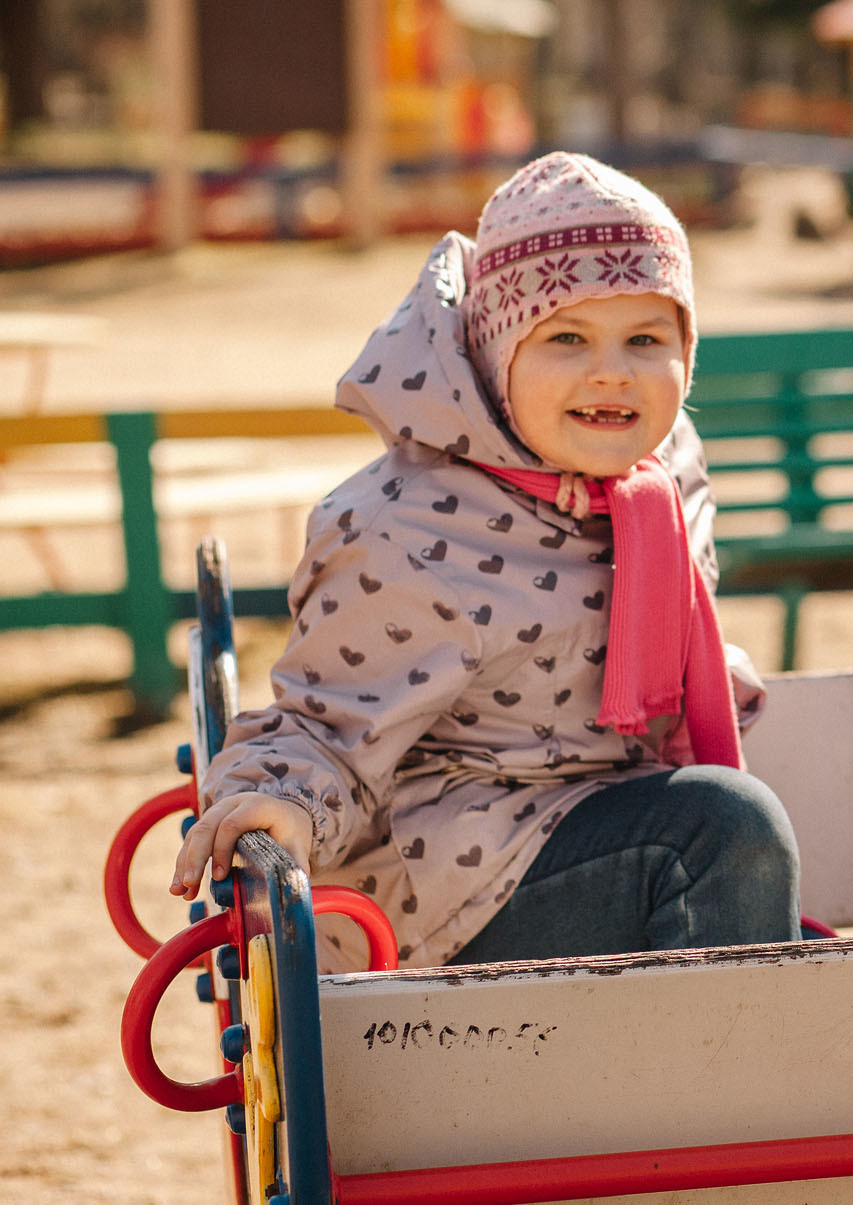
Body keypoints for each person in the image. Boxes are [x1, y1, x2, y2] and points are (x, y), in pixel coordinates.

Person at [170, 152, 800, 972]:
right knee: (725, 830)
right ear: (497, 354)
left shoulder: (661, 477)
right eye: (566, 337)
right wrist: (284, 802)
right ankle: (723, 1088)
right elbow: (326, 720)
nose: (612, 369)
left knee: (750, 853)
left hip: (598, 818)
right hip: (454, 893)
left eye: (646, 337)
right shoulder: (412, 528)